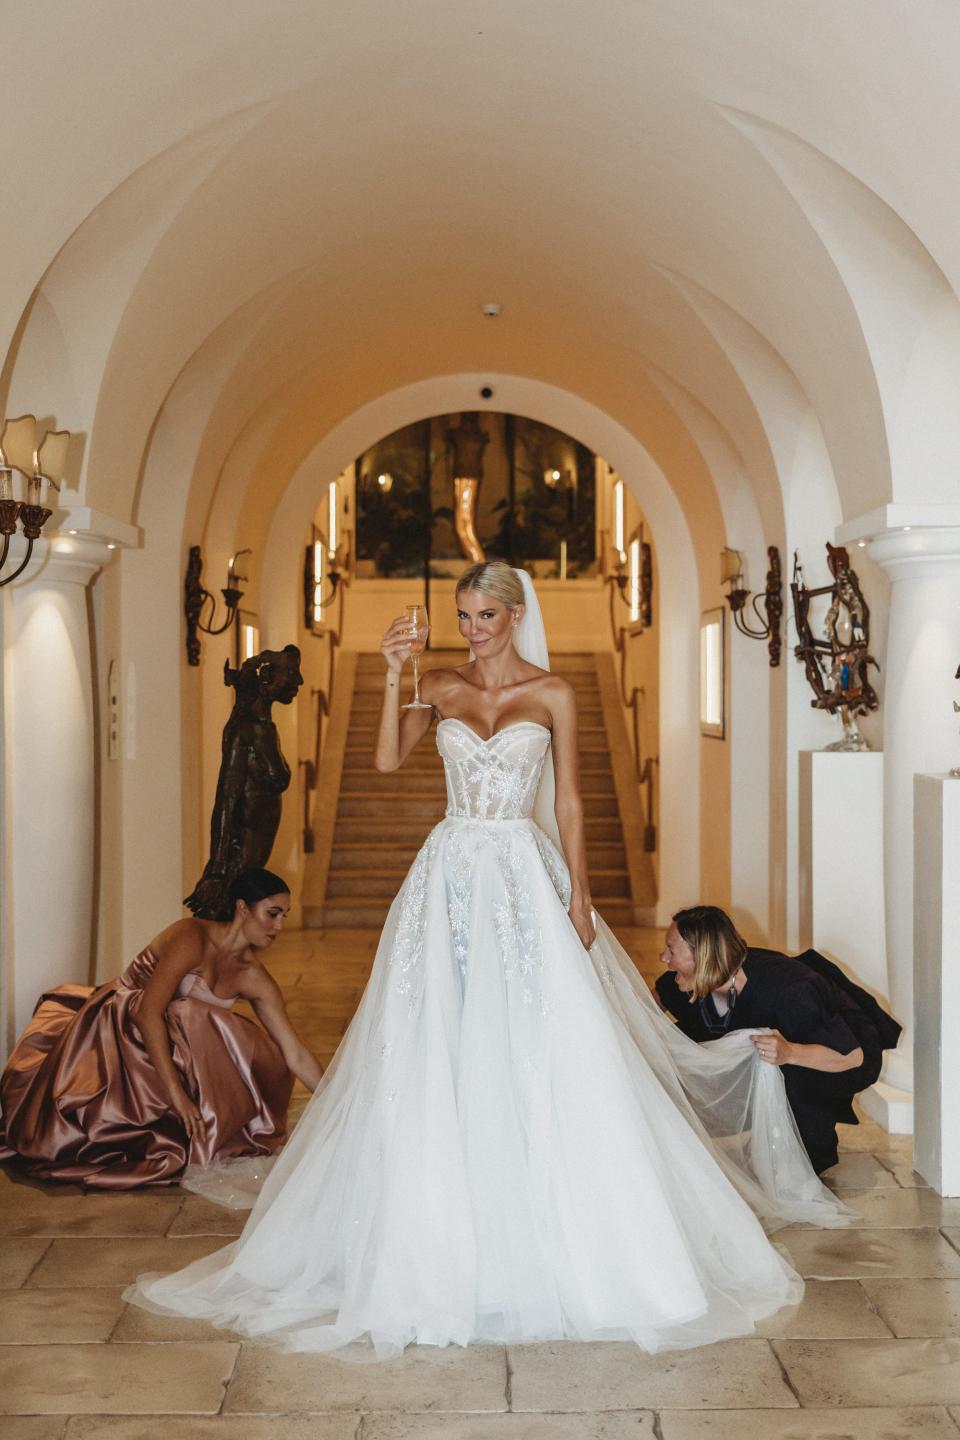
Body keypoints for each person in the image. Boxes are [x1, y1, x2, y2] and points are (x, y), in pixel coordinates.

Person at [126, 561, 847, 1358]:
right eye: (463, 617)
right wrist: (399, 672)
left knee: (538, 1035)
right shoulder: (438, 684)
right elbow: (387, 763)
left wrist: (579, 894)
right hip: (447, 875)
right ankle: (426, 1222)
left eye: (484, 617)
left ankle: (552, 1223)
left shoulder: (555, 693)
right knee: (435, 1030)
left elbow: (568, 798)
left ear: (514, 614)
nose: (472, 630)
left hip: (523, 874)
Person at [0, 868, 323, 1189]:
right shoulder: (192, 937)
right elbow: (147, 1012)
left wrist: (341, 1098)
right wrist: (178, 1097)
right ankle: (128, 1122)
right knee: (189, 1015)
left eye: (284, 915)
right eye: (273, 913)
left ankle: (173, 1130)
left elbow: (294, 1052)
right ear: (242, 908)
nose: (279, 926)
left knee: (223, 1032)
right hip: (120, 1029)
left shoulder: (253, 976)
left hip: (171, 1053)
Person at [656, 905, 901, 1174]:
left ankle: (807, 1139)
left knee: (794, 1151)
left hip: (838, 1050)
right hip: (785, 1037)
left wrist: (790, 1053)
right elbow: (654, 999)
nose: (663, 957)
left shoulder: (789, 990)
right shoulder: (692, 977)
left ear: (703, 956)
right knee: (673, 1041)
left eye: (671, 950)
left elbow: (852, 1056)